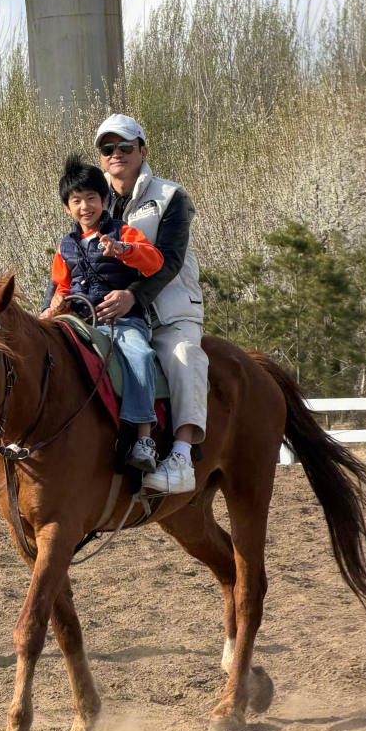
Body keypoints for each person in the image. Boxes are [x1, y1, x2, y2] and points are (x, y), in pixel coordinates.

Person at [91, 114, 208, 495]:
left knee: (185, 356)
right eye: (108, 148)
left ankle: (182, 456)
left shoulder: (172, 196)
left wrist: (133, 296)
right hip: (111, 314)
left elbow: (170, 260)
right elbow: (72, 253)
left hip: (168, 313)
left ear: (143, 150)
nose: (116, 154)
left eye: (125, 146)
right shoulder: (92, 199)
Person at [41, 155, 165, 475]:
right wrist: (54, 306)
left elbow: (154, 261)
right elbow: (61, 285)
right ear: (67, 208)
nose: (85, 206)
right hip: (79, 323)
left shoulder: (123, 231)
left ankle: (144, 438)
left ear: (105, 199)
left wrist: (124, 250)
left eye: (91, 198)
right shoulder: (65, 247)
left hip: (122, 322)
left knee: (139, 355)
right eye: (77, 201)